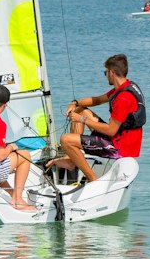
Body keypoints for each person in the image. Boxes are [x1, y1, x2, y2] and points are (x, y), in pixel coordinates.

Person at [54, 53, 145, 183]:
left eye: (105, 72)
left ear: (112, 73)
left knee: (65, 140)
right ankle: (71, 158)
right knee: (81, 110)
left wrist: (81, 120)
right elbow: (97, 100)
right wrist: (75, 104)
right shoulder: (124, 87)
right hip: (120, 137)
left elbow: (111, 131)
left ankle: (93, 180)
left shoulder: (123, 98)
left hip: (119, 147)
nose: (106, 75)